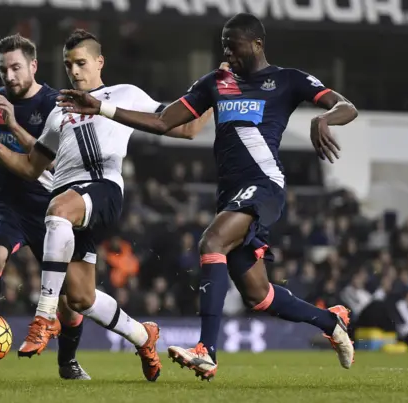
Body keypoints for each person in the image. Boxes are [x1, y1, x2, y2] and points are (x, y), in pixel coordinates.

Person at [57, 13, 359, 380]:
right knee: (258, 295)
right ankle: (332, 321)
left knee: (211, 241)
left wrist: (323, 119)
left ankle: (207, 351)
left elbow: (346, 105)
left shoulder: (287, 80)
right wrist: (102, 107)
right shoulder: (215, 83)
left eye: (233, 45)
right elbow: (164, 122)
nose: (227, 52)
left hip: (264, 185)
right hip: (230, 195)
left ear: (258, 44)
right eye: (223, 46)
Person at [0, 29, 212, 382]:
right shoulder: (59, 113)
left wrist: (209, 97)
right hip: (70, 206)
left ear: (100, 62)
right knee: (81, 298)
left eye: (81, 63)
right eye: (69, 65)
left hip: (102, 190)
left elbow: (186, 129)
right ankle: (144, 337)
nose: (75, 71)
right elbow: (29, 167)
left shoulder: (124, 94)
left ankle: (44, 317)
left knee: (56, 211)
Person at [0, 34, 90, 380]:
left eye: (15, 68)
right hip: (9, 201)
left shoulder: (55, 104)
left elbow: (50, 159)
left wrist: (13, 122)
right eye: (3, 70)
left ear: (33, 66)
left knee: (71, 303)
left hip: (52, 207)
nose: (9, 77)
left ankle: (68, 362)